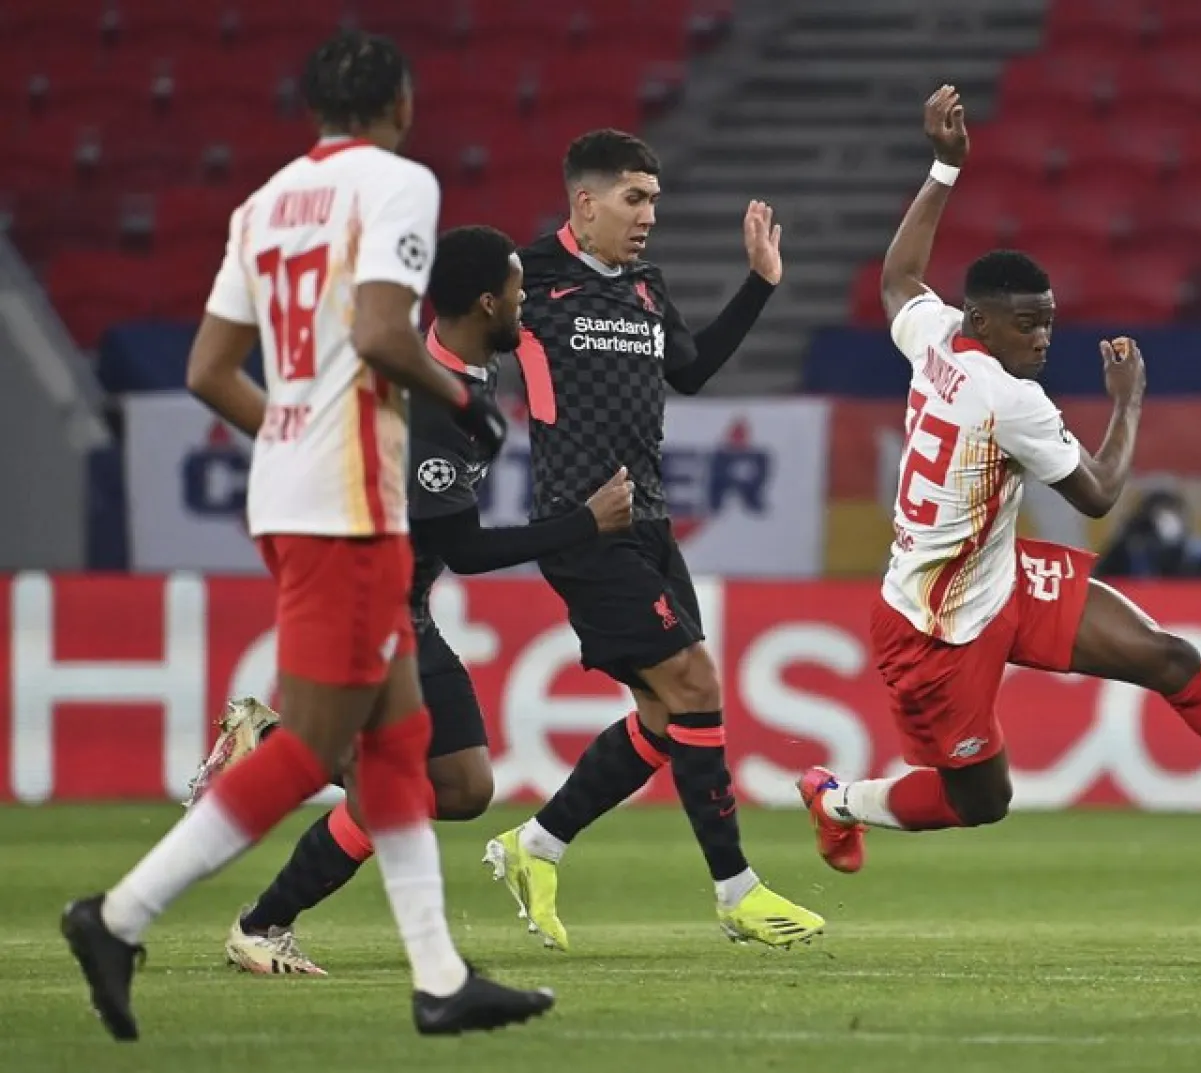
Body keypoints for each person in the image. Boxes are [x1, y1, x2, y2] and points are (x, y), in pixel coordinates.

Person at [59, 32, 554, 1040]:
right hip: (349, 506)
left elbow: (208, 368)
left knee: (403, 746)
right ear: (399, 101)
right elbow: (381, 331)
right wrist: (462, 393)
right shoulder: (399, 184)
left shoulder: (264, 202)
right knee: (317, 749)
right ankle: (116, 916)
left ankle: (440, 976)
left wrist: (292, 429)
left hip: (291, 490)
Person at [794, 85, 1201, 875]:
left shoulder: (939, 337)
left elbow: (896, 282)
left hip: (998, 575)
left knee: (1169, 657)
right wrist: (1130, 403)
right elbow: (1098, 492)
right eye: (1028, 323)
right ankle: (837, 800)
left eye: (1049, 319)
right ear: (984, 322)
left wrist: (944, 171)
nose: (1043, 336)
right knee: (981, 800)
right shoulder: (1008, 398)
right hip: (935, 630)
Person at [192, 225, 634, 976]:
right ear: (488, 301)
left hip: (403, 606)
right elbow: (465, 546)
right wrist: (582, 524)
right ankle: (262, 922)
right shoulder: (433, 401)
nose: (526, 304)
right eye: (519, 290)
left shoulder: (463, 368)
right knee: (403, 783)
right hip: (365, 607)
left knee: (462, 785)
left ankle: (271, 750)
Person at [483, 129, 824, 950]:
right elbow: (449, 349)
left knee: (669, 717)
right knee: (696, 682)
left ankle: (536, 845)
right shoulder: (527, 282)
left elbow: (693, 369)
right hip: (582, 526)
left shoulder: (642, 285)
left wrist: (760, 285)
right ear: (585, 203)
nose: (648, 217)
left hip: (652, 526)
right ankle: (737, 891)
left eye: (655, 202)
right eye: (634, 200)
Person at [1095, 488, 1201, 579]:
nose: (1165, 523)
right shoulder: (1128, 552)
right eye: (1157, 514)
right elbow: (1101, 579)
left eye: (1170, 511)